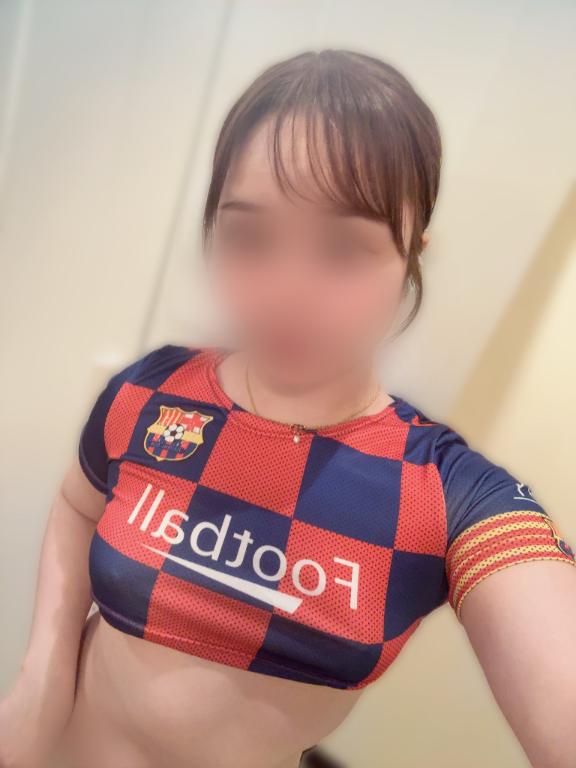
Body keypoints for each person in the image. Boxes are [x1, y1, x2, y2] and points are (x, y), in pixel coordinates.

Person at [1, 48, 575, 768]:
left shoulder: (443, 493)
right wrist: (41, 678)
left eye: (344, 247)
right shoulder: (153, 390)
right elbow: (76, 505)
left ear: (411, 256)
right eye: (249, 235)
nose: (286, 292)